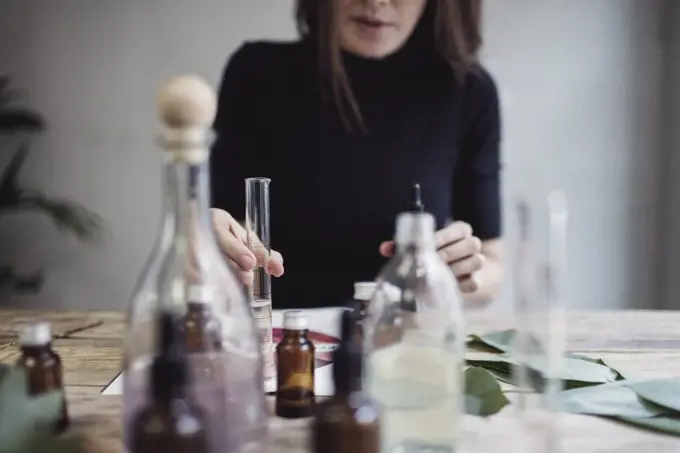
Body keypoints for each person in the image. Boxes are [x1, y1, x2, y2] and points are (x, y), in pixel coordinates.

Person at [209, 0, 503, 309]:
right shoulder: (256, 73)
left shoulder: (470, 90)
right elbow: (227, 227)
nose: (376, 2)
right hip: (284, 336)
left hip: (405, 342)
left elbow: (493, 262)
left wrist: (461, 272)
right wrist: (213, 243)